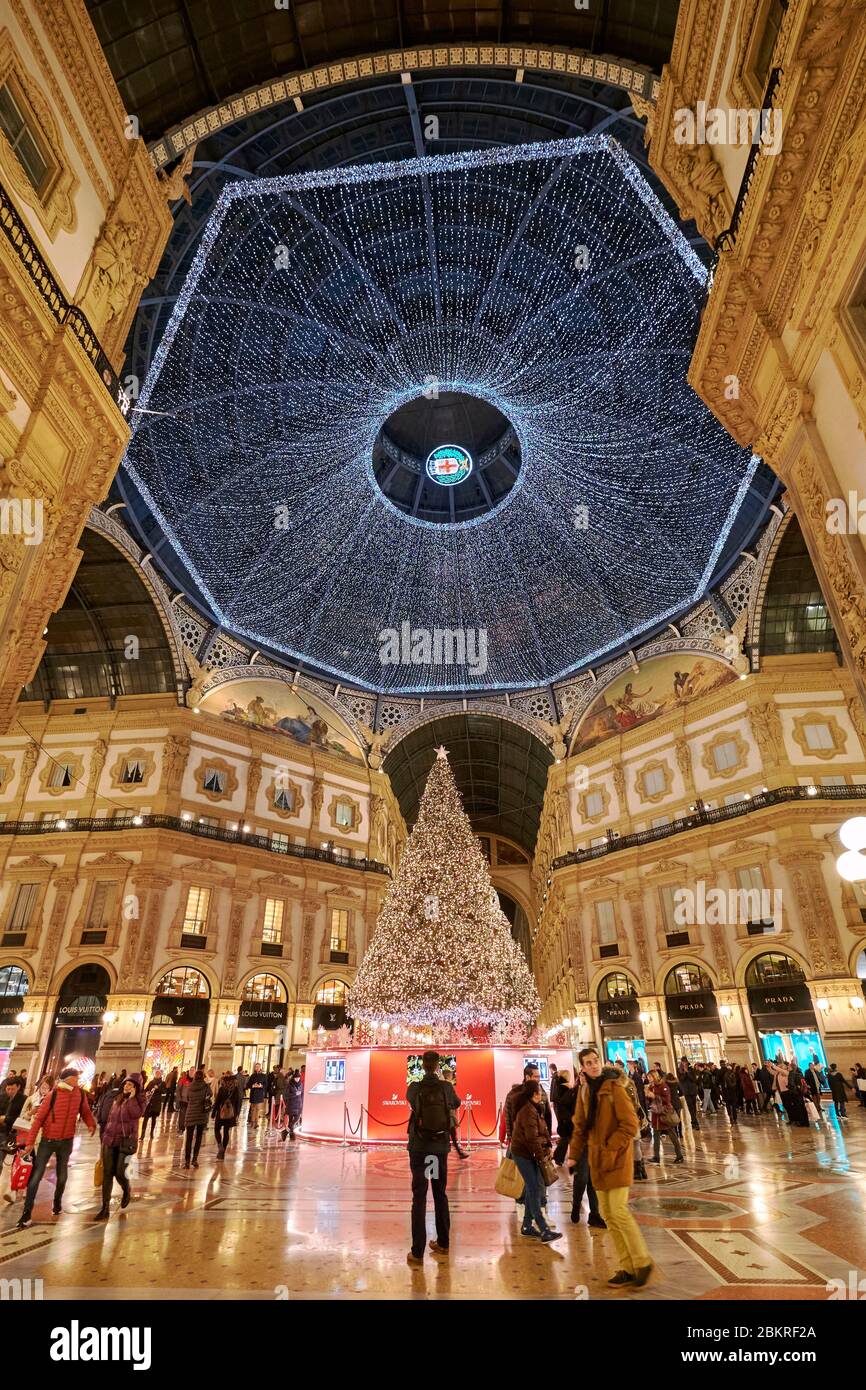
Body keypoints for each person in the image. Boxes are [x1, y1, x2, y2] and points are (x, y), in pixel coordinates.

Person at [569, 1048, 653, 1288]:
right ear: (582, 1067)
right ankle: (627, 1267)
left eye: (596, 1061)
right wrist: (574, 1156)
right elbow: (580, 1127)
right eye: (588, 1063)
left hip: (616, 1159)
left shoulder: (614, 1088)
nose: (594, 1066)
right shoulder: (585, 1092)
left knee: (618, 1211)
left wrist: (610, 1147)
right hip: (597, 1161)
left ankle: (643, 1262)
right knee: (607, 1215)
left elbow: (630, 1124)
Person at [17, 1067, 96, 1229]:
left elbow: (85, 1111)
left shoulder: (79, 1094)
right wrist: (30, 1142)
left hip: (66, 1141)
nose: (77, 1079)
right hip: (48, 1140)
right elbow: (38, 1120)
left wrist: (90, 1124)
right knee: (36, 1176)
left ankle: (57, 1203)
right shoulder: (53, 1095)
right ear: (68, 1078)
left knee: (62, 1176)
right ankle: (26, 1212)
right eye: (76, 1077)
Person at [405, 1050, 460, 1266]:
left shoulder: (415, 1087)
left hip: (420, 1148)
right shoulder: (446, 1087)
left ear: (422, 1065)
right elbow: (456, 1103)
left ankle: (417, 1252)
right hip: (438, 1149)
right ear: (437, 1065)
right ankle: (444, 1243)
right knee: (439, 1194)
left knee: (419, 1197)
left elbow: (411, 1102)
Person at [510, 1079, 562, 1243]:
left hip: (528, 1153)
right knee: (533, 1189)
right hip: (524, 1154)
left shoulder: (532, 1108)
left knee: (532, 1188)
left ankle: (527, 1226)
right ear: (534, 1094)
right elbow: (531, 1138)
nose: (542, 1095)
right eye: (540, 1091)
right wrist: (541, 1157)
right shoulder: (528, 1111)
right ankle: (543, 1228)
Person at [95, 1074, 147, 1221]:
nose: (127, 1087)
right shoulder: (117, 1098)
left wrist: (131, 1099)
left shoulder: (139, 1100)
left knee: (119, 1172)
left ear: (136, 1087)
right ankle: (104, 1207)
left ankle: (126, 1188)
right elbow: (110, 1118)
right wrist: (104, 1136)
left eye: (131, 1085)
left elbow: (136, 1114)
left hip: (126, 1141)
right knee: (107, 1173)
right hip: (110, 1140)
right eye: (126, 1084)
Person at [0, 1075, 51, 1206]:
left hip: (42, 1138)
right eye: (42, 1086)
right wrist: (31, 1112)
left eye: (46, 1087)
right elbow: (22, 1116)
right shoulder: (30, 1099)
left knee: (35, 1166)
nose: (43, 1089)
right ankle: (13, 1190)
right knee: (20, 1162)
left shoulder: (52, 1100)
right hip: (27, 1136)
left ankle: (29, 1189)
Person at [569, 1065, 606, 1229]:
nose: (584, 1078)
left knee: (593, 1181)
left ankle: (595, 1214)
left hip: (595, 1143)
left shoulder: (596, 1093)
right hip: (581, 1143)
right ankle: (576, 1204)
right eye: (582, 1076)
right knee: (582, 1178)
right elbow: (572, 1119)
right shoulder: (574, 1093)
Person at [613, 1059, 647, 1181]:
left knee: (629, 1145)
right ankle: (641, 1170)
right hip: (634, 1118)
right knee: (636, 1144)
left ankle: (634, 1171)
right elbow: (637, 1101)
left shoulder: (619, 1087)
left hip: (626, 1119)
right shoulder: (630, 1083)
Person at [647, 1069, 685, 1164]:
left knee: (672, 1133)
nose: (648, 1079)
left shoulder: (663, 1086)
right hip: (656, 1114)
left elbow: (667, 1099)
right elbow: (650, 1100)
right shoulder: (652, 1086)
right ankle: (656, 1156)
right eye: (648, 1077)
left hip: (665, 1114)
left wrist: (654, 1096)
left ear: (655, 1076)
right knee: (655, 1135)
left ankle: (679, 1155)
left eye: (650, 1077)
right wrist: (648, 1095)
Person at [182, 1069, 212, 1168]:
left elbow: (187, 1098)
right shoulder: (205, 1086)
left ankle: (187, 1161)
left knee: (189, 1139)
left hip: (190, 1113)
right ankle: (194, 1159)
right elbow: (210, 1095)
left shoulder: (190, 1086)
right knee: (198, 1138)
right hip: (201, 1114)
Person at [440, 1066, 468, 1159]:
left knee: (448, 1134)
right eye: (452, 1075)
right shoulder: (448, 1085)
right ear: (448, 1076)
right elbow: (455, 1101)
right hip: (448, 1114)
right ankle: (459, 1152)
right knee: (452, 1133)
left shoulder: (439, 1085)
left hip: (440, 1115)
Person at [212, 1072, 241, 1157]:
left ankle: (220, 1146)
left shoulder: (222, 1089)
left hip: (221, 1113)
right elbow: (238, 1102)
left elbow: (217, 1102)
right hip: (231, 1114)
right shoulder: (235, 1089)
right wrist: (237, 1114)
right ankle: (223, 1151)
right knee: (226, 1132)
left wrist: (213, 1113)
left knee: (217, 1129)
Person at [552, 1069, 575, 1166]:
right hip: (567, 1118)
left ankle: (559, 1157)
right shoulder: (566, 1089)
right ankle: (559, 1157)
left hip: (563, 1118)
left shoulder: (557, 1087)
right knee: (567, 1138)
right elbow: (567, 1103)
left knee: (566, 1138)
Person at [142, 1070, 165, 1139]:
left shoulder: (162, 1083)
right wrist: (146, 1093)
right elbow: (146, 1090)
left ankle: (151, 1133)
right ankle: (142, 1135)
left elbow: (164, 1091)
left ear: (161, 1075)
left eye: (159, 1074)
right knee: (145, 1118)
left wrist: (158, 1089)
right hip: (149, 1103)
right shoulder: (151, 1082)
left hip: (156, 1103)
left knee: (154, 1119)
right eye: (156, 1073)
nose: (157, 1074)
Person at [679, 1063, 701, 1131]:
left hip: (693, 1091)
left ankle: (693, 1121)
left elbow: (694, 1079)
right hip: (686, 1092)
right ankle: (696, 1123)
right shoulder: (679, 1071)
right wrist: (685, 1073)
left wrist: (688, 1072)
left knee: (693, 1107)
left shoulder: (692, 1071)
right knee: (690, 1107)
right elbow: (681, 1079)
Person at [176, 1069, 193, 1133]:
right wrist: (179, 1099)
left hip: (192, 1101)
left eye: (193, 1071)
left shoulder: (195, 1080)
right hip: (183, 1100)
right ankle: (181, 1128)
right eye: (191, 1071)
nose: (192, 1072)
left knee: (191, 1116)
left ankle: (189, 1129)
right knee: (182, 1115)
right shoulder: (183, 1079)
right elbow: (178, 1089)